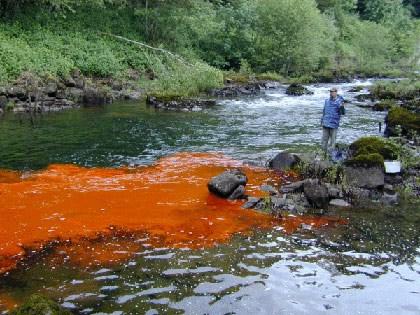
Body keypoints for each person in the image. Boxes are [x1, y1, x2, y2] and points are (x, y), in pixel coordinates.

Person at [321, 87, 345, 154]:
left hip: (334, 124)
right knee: (324, 140)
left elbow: (343, 113)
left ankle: (331, 156)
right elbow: (324, 111)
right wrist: (322, 121)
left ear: (336, 92)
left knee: (332, 141)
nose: (331, 93)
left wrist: (342, 107)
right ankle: (323, 154)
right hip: (325, 123)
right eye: (330, 92)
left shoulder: (340, 102)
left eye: (332, 92)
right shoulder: (326, 101)